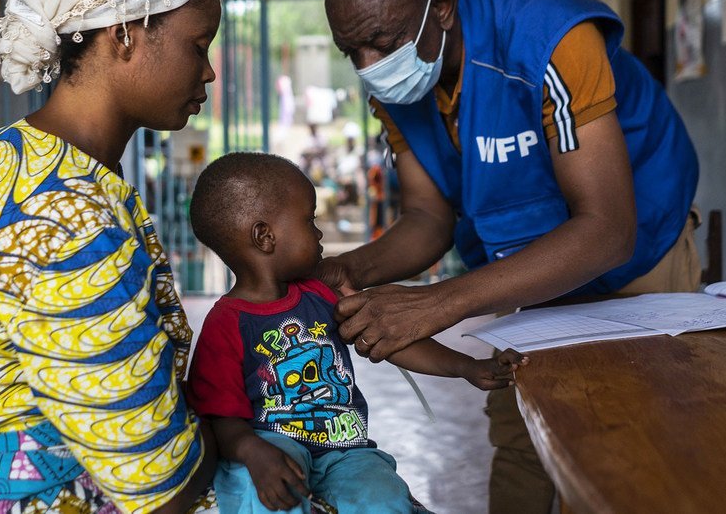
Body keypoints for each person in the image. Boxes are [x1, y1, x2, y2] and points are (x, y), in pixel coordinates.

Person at [321, 0, 701, 512]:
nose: (369, 65)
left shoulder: (549, 38)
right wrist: (347, 268)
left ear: (444, 7)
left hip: (639, 258)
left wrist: (438, 302)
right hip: (524, 264)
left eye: (381, 43)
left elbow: (609, 230)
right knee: (521, 435)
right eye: (350, 49)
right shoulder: (398, 85)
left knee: (630, 446)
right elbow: (427, 217)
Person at [0, 0, 222, 512]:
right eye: (199, 45)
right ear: (124, 34)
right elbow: (160, 486)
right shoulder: (61, 214)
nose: (209, 71)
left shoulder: (13, 155)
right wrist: (233, 433)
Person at [184, 152, 528, 513]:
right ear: (265, 236)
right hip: (273, 447)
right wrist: (252, 452)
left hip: (344, 449)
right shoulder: (225, 325)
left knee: (384, 499)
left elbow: (391, 341)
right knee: (262, 496)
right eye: (309, 220)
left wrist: (466, 367)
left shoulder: (321, 294)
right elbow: (220, 415)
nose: (318, 232)